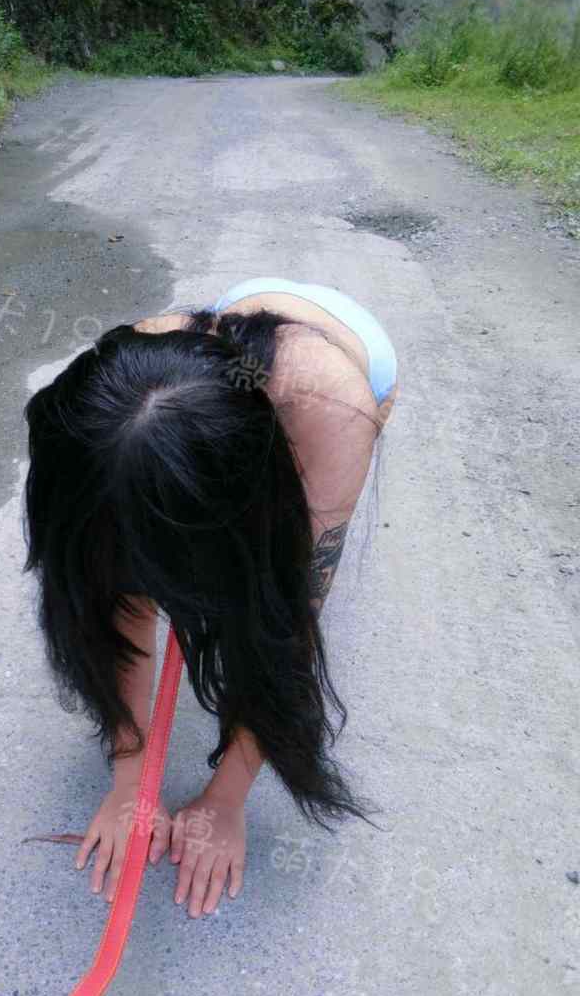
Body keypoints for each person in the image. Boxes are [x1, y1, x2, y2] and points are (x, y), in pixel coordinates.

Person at [22, 276, 400, 919]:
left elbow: (286, 628)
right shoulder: (109, 394)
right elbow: (117, 603)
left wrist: (224, 802)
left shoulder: (333, 420)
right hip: (227, 332)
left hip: (349, 354)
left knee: (265, 602)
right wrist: (131, 781)